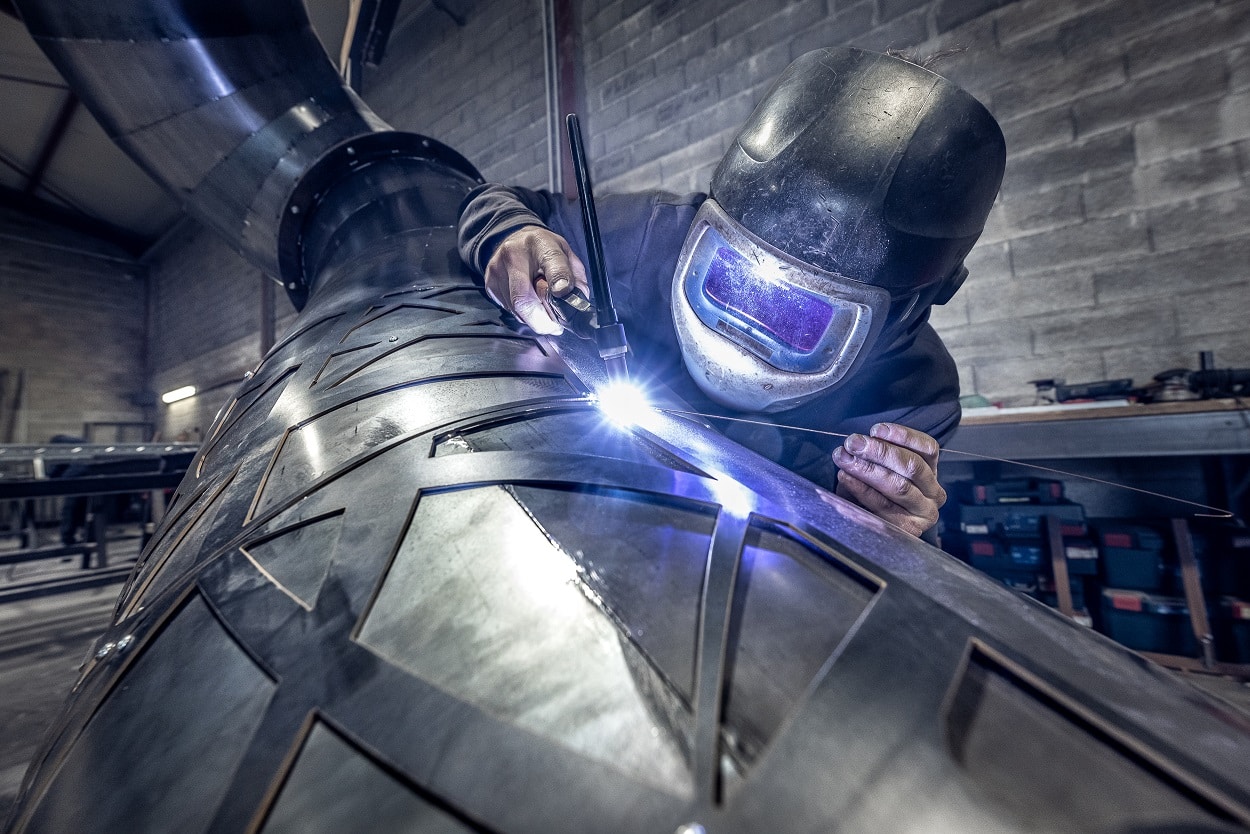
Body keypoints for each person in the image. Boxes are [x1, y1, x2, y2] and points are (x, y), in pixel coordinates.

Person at [457, 46, 1006, 540]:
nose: (746, 324)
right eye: (735, 277)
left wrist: (900, 530)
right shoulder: (654, 236)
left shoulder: (914, 394)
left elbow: (891, 574)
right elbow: (503, 203)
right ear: (707, 222)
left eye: (799, 316)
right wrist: (507, 234)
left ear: (908, 310)